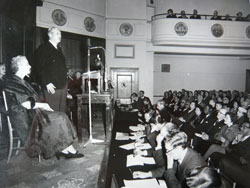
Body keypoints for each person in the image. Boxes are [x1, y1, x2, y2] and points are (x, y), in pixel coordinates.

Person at [4, 55, 84, 159]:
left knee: (61, 116)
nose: (30, 66)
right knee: (59, 118)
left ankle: (65, 148)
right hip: (25, 118)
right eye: (27, 64)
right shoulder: (13, 83)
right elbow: (26, 104)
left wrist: (42, 105)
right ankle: (66, 149)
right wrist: (44, 105)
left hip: (32, 113)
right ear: (20, 65)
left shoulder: (21, 81)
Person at [33, 27, 68, 112]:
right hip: (51, 86)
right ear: (50, 35)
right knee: (53, 112)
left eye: (60, 34)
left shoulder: (59, 49)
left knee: (61, 112)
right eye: (57, 33)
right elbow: (39, 67)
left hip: (62, 85)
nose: (60, 35)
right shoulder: (43, 48)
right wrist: (46, 82)